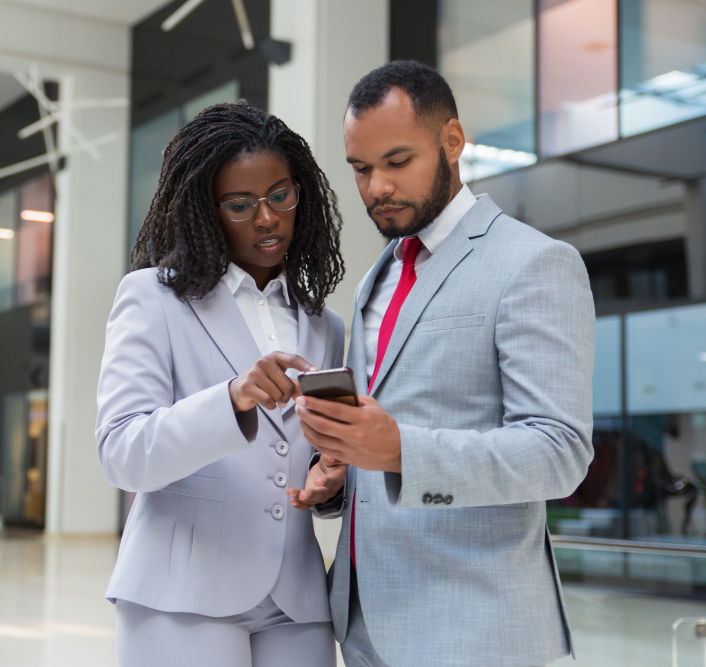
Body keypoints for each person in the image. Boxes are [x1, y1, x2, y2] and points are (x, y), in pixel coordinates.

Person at [289, 61, 596, 667]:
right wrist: (342, 475)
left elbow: (559, 452)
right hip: (364, 622)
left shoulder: (534, 263)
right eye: (360, 168)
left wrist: (401, 452)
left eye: (397, 162)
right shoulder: (378, 275)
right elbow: (385, 432)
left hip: (475, 629)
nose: (376, 186)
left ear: (452, 142)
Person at [96, 101, 347, 667]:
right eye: (240, 205)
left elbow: (310, 455)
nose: (266, 218)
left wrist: (329, 484)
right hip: (181, 595)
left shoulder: (324, 325)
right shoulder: (152, 298)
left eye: (281, 195)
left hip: (296, 598)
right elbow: (122, 454)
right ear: (203, 211)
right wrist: (233, 399)